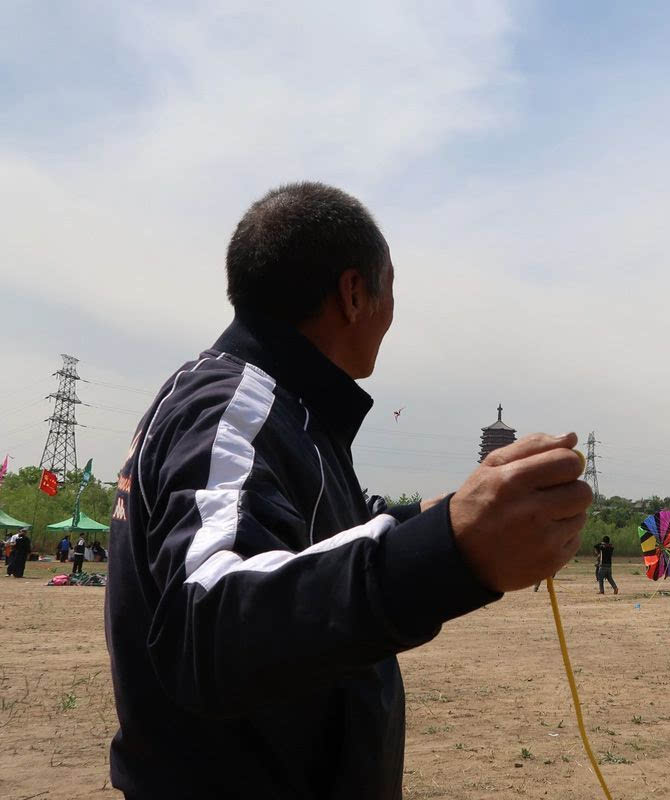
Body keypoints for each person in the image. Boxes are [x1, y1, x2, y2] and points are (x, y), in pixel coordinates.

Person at [103, 182, 593, 799]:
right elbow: (208, 619)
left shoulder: (286, 411)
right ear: (355, 294)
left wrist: (433, 514)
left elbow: (311, 533)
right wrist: (450, 551)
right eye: (391, 289)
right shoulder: (234, 413)